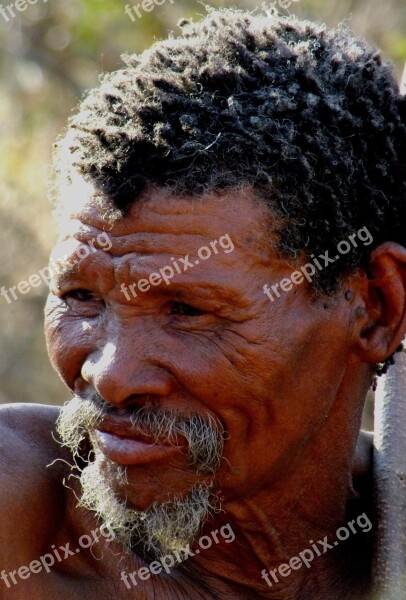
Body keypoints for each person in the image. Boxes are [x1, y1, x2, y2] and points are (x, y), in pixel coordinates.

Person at [1, 7, 406, 599]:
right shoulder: (19, 525)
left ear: (377, 310)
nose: (110, 376)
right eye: (81, 297)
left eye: (188, 311)